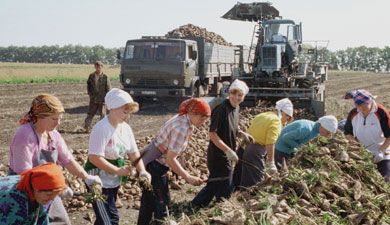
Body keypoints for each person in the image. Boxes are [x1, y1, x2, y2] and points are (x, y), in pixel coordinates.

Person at [9, 93, 102, 225]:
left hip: (47, 189)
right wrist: (57, 188)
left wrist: (86, 177)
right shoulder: (24, 136)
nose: (58, 123)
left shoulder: (53, 135)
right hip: (25, 190)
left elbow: (68, 160)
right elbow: (23, 173)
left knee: (61, 221)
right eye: (54, 119)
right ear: (40, 117)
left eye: (60, 119)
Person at [137, 98, 211, 225]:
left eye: (205, 119)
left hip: (151, 163)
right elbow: (170, 160)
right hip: (155, 167)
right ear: (192, 113)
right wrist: (188, 177)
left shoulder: (182, 119)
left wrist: (181, 159)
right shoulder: (181, 128)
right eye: (201, 118)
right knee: (163, 207)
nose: (203, 122)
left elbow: (174, 149)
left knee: (148, 204)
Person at [84, 88, 151, 225]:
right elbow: (94, 158)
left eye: (129, 113)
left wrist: (142, 170)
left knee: (106, 217)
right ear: (113, 108)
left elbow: (133, 152)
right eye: (125, 112)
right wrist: (117, 170)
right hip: (98, 181)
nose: (127, 116)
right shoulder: (101, 128)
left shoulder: (125, 128)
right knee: (109, 220)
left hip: (113, 180)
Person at [191, 79, 252, 207]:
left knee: (213, 185)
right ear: (229, 93)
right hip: (218, 155)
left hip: (226, 154)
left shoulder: (236, 108)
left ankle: (195, 205)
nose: (236, 97)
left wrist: (241, 134)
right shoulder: (221, 109)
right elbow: (213, 134)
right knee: (226, 189)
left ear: (243, 97)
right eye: (233, 93)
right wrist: (228, 151)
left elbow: (230, 129)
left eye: (239, 95)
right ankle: (223, 208)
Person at [237, 98, 294, 188]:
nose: (286, 121)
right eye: (287, 118)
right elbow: (270, 143)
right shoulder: (276, 122)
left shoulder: (263, 115)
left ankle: (233, 199)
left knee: (239, 179)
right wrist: (271, 163)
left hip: (243, 149)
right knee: (254, 184)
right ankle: (249, 200)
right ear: (283, 113)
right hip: (254, 152)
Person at [344, 90, 390, 182]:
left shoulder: (381, 112)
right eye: (359, 107)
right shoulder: (354, 113)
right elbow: (348, 133)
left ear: (370, 102)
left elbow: (389, 136)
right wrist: (356, 146)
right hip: (362, 154)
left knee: (386, 180)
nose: (361, 110)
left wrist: (380, 151)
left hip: (381, 153)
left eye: (364, 107)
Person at [0, 163, 67, 225]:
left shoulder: (45, 198)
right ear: (36, 188)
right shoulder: (13, 199)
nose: (52, 199)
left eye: (55, 195)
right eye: (49, 195)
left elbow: (42, 221)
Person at [274, 115, 338, 169]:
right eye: (327, 132)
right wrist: (299, 147)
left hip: (289, 148)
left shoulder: (315, 131)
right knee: (282, 171)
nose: (328, 135)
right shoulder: (307, 130)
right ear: (322, 126)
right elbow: (285, 137)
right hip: (281, 148)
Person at [84, 61, 111, 132]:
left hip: (102, 99)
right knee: (90, 114)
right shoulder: (91, 76)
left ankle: (102, 129)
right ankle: (86, 127)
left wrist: (107, 98)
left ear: (102, 67)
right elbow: (88, 86)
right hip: (93, 99)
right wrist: (90, 94)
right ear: (95, 67)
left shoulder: (105, 77)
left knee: (103, 115)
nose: (98, 69)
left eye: (99, 67)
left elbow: (108, 88)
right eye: (96, 67)